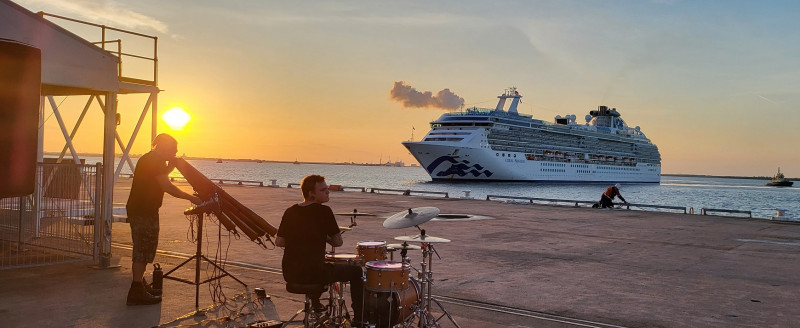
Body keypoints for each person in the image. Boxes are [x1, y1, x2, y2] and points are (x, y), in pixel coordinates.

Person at [276, 174, 364, 325]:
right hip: (314, 274)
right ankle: (360, 319)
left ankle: (316, 305)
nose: (328, 192)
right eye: (323, 190)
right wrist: (323, 235)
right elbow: (337, 242)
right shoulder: (324, 211)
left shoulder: (290, 211)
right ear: (311, 193)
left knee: (315, 265)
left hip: (290, 273)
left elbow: (279, 242)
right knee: (356, 272)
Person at [125, 133, 201, 305]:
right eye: (173, 150)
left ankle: (139, 284)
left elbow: (157, 176)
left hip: (142, 209)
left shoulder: (150, 159)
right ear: (164, 147)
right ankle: (136, 290)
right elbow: (167, 187)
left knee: (144, 247)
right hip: (144, 210)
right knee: (143, 249)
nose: (174, 154)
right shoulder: (155, 160)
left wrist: (170, 168)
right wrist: (192, 198)